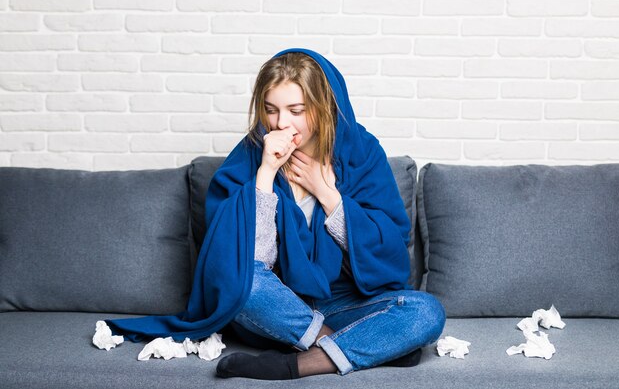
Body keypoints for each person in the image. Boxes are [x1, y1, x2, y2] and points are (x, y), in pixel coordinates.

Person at [103, 48, 446, 380]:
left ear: (324, 107)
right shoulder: (251, 155)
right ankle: (362, 345)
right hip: (275, 304)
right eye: (271, 110)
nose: (281, 123)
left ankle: (294, 365)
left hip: (345, 302)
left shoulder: (362, 152)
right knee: (240, 284)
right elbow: (242, 265)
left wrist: (328, 194)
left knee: (426, 312)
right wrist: (266, 174)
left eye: (297, 110)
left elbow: (390, 253)